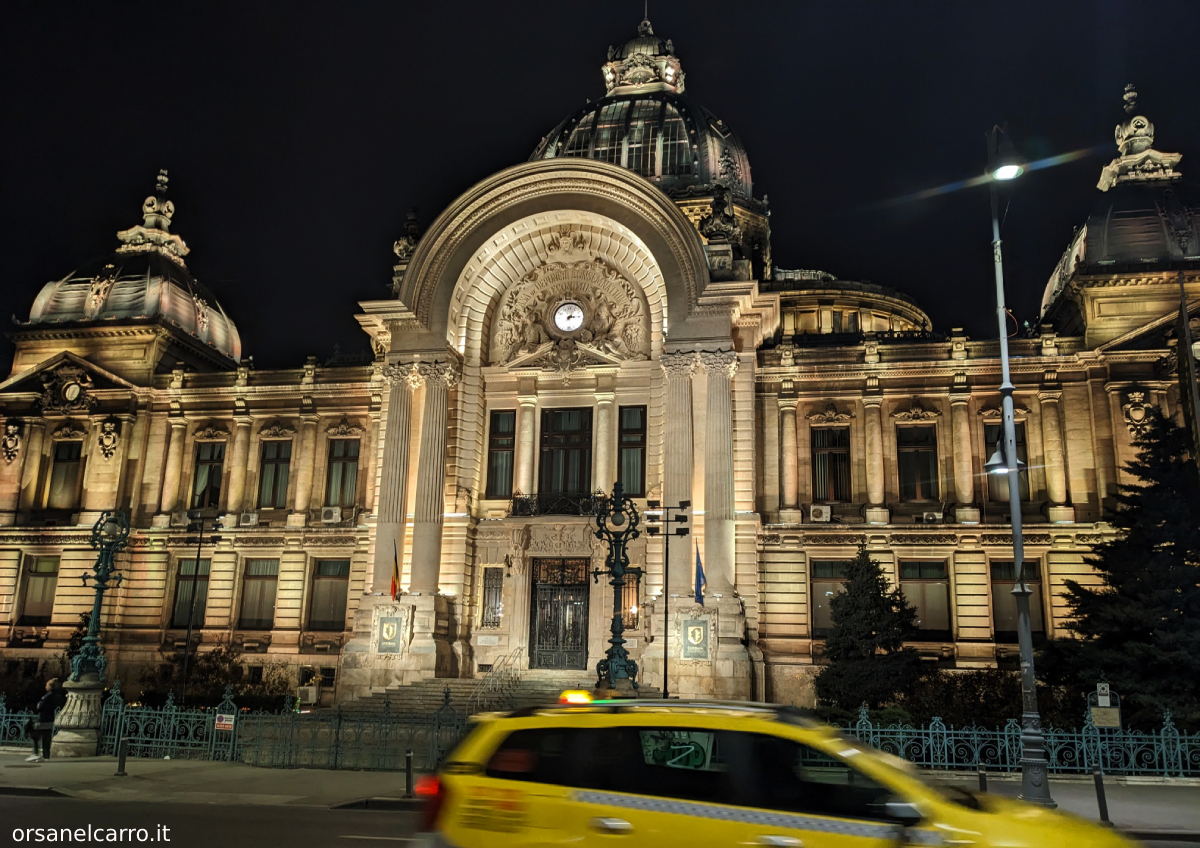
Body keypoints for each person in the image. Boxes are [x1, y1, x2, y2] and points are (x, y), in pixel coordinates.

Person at [26, 678, 64, 762]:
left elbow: (40, 706)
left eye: (47, 685)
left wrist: (39, 705)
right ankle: (46, 756)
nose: (45, 686)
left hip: (43, 719)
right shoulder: (56, 695)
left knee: (35, 736)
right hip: (50, 719)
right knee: (46, 739)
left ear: (50, 686)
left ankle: (36, 754)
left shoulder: (48, 695)